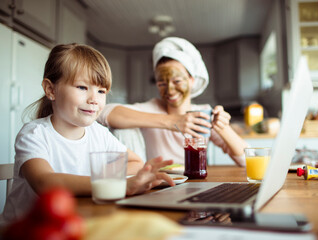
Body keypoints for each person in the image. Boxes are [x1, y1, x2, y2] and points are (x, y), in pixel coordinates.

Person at [1, 43, 174, 224]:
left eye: (101, 91)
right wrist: (116, 185)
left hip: (74, 225)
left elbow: (136, 162)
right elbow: (45, 183)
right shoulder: (34, 134)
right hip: (27, 231)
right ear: (51, 90)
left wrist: (109, 178)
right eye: (82, 87)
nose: (94, 99)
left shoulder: (99, 134)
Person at [97, 37, 248, 166]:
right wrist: (172, 121)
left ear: (191, 80)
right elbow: (103, 112)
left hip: (197, 183)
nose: (169, 90)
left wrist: (223, 128)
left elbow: (246, 160)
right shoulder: (152, 108)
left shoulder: (203, 112)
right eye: (162, 83)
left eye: (177, 81)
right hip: (161, 185)